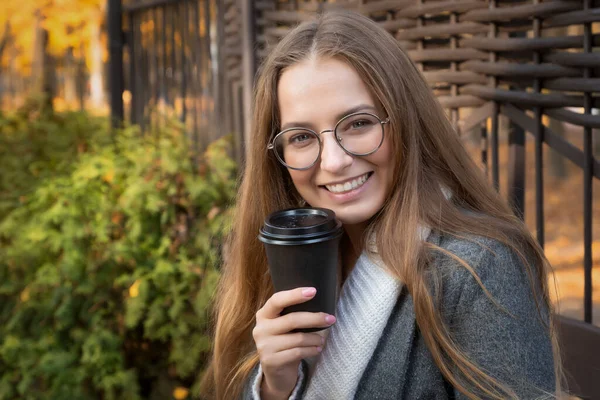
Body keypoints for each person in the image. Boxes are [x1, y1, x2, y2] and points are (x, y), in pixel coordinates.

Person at [201, 10, 563, 400]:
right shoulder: (284, 257)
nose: (334, 161)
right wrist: (275, 387)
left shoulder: (478, 269)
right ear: (277, 153)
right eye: (302, 136)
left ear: (405, 120)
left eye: (358, 124)